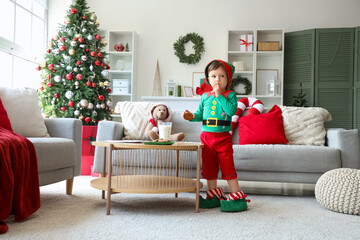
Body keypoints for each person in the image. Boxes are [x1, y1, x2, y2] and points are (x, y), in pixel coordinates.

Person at [182, 59, 249, 212]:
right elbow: (200, 114)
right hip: (206, 137)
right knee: (209, 168)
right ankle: (213, 197)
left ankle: (237, 198)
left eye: (222, 76)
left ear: (228, 79)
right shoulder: (205, 96)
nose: (217, 80)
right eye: (213, 76)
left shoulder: (230, 95)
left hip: (223, 138)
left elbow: (231, 111)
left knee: (228, 167)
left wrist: (219, 95)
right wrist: (192, 116)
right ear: (208, 79)